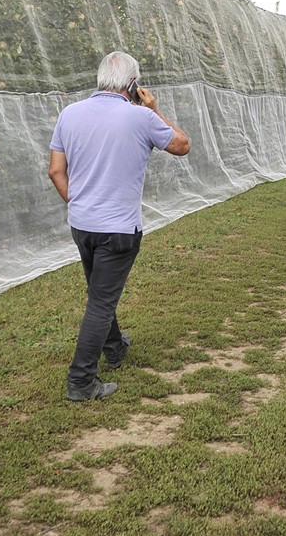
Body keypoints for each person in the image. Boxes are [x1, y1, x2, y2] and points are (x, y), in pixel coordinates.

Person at [48, 51, 191, 401]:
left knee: (100, 291)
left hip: (82, 224)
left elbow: (55, 170)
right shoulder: (141, 117)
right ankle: (81, 382)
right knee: (100, 302)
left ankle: (114, 347)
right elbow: (182, 145)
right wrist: (154, 109)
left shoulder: (69, 113)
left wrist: (78, 203)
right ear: (133, 84)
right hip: (119, 230)